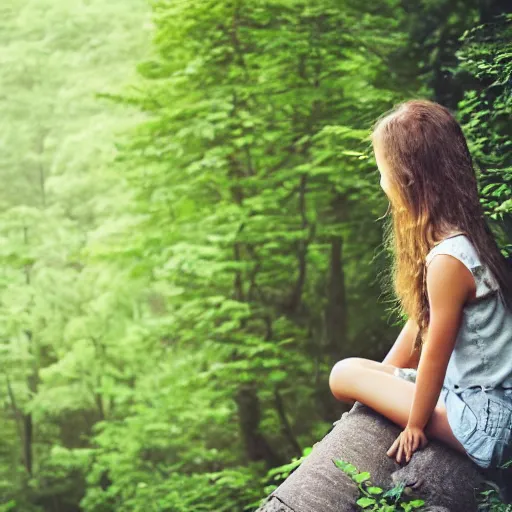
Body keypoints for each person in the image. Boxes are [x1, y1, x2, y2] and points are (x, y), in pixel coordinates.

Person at [328, 99, 512, 474]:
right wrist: (385, 375)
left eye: (383, 172)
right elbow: (420, 325)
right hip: (466, 396)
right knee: (354, 371)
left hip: (484, 421)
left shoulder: (448, 261)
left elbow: (434, 355)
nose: (381, 183)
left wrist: (414, 422)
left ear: (407, 179)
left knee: (342, 375)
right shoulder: (462, 240)